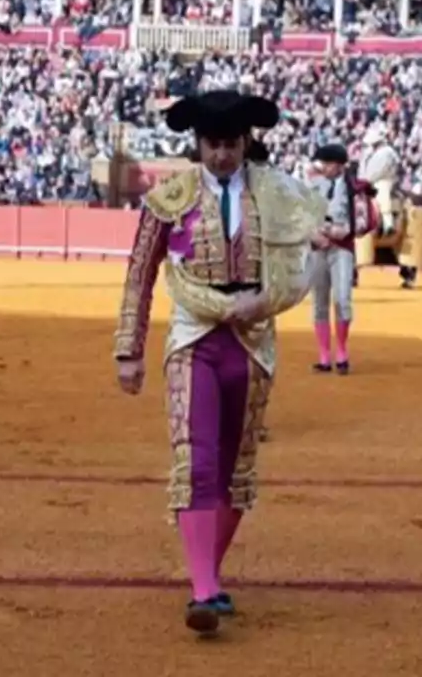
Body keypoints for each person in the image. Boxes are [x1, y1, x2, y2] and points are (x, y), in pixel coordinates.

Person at [113, 90, 325, 637]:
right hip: (194, 338)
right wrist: (128, 350)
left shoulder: (277, 196)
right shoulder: (171, 199)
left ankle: (207, 574)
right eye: (213, 144)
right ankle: (204, 590)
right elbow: (140, 273)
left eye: (232, 144)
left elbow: (301, 268)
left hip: (252, 340)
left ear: (247, 141)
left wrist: (269, 301)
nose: (223, 155)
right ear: (198, 143)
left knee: (236, 470)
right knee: (198, 462)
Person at [309, 144, 357, 374]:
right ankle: (324, 355)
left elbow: (357, 222)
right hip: (319, 247)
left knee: (342, 299)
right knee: (319, 301)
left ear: (338, 165)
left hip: (341, 247)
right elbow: (305, 215)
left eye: (327, 163)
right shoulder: (315, 186)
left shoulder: (353, 188)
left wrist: (335, 232)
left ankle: (341, 351)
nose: (323, 167)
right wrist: (316, 234)